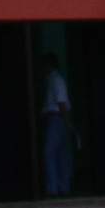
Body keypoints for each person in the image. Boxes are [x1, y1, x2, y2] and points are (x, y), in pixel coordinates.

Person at [40, 58, 77, 197]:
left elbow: (61, 102)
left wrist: (67, 122)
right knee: (60, 154)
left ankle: (55, 188)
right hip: (57, 118)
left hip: (57, 118)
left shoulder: (56, 80)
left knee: (51, 153)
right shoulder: (52, 80)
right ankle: (61, 187)